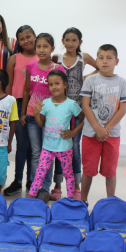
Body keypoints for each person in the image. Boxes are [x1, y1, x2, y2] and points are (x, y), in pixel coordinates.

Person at [80, 44, 126, 205]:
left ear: (116, 61)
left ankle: (110, 202)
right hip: (91, 134)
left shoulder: (122, 83)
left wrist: (106, 130)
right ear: (96, 60)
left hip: (112, 135)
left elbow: (122, 109)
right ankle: (83, 200)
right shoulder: (90, 80)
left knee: (110, 170)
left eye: (109, 58)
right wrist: (97, 128)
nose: (105, 61)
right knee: (88, 170)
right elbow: (85, 105)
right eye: (101, 58)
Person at [51, 27, 99, 200]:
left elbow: (99, 67)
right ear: (62, 41)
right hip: (60, 110)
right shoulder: (56, 58)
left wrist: (87, 78)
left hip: (78, 111)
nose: (70, 43)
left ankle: (77, 186)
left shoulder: (83, 58)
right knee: (58, 146)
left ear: (80, 42)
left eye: (74, 40)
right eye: (67, 40)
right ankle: (57, 185)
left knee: (75, 149)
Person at [20, 33, 65, 202]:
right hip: (32, 115)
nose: (41, 50)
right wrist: (23, 112)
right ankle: (34, 185)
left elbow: (60, 94)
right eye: (38, 46)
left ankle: (45, 188)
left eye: (45, 46)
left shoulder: (57, 69)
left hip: (51, 119)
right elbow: (26, 91)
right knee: (36, 152)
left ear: (52, 48)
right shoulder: (31, 66)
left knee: (48, 153)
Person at [27, 70, 84, 198]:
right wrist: (36, 113)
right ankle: (30, 197)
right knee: (39, 173)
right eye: (51, 84)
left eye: (57, 83)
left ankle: (69, 199)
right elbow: (41, 124)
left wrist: (73, 132)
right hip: (47, 147)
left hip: (64, 148)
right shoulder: (46, 103)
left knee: (68, 174)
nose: (54, 87)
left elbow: (82, 119)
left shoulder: (71, 104)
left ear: (65, 84)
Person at [4, 25, 39, 196]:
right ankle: (18, 181)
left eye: (28, 37)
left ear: (35, 36)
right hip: (17, 105)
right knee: (22, 145)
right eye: (22, 38)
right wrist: (9, 107)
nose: (26, 41)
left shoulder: (43, 57)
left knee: (34, 147)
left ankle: (32, 180)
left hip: (37, 105)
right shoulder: (14, 59)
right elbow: (9, 84)